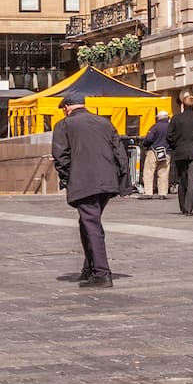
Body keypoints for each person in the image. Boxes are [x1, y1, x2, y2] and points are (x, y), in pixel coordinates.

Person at [51, 100, 128, 289]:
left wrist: (68, 177)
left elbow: (61, 156)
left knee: (91, 224)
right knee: (87, 222)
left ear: (66, 108)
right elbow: (120, 153)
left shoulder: (64, 125)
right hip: (107, 182)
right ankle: (90, 268)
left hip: (84, 181)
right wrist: (124, 183)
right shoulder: (104, 122)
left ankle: (102, 273)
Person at [166, 92, 193, 215]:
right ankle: (188, 207)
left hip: (180, 152)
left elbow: (169, 136)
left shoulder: (176, 118)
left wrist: (175, 145)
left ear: (183, 105)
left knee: (183, 180)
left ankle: (183, 207)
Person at [141, 109, 171, 198]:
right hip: (166, 152)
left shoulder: (155, 127)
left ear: (158, 118)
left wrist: (145, 145)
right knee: (163, 173)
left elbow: (149, 139)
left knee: (149, 172)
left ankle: (148, 192)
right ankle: (162, 193)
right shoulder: (171, 127)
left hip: (153, 151)